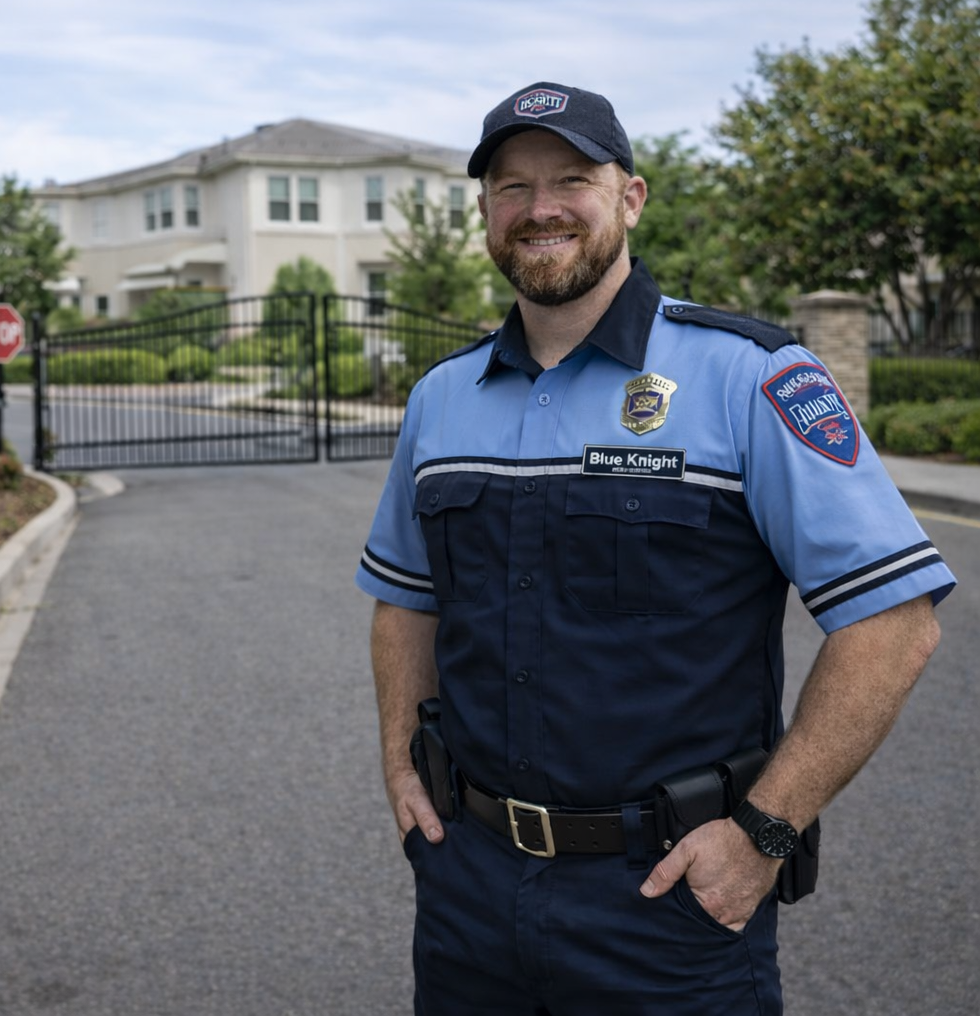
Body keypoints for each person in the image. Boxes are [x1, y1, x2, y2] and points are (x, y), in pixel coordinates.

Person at [355, 80, 954, 1015]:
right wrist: (401, 766)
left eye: (571, 180)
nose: (539, 208)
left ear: (629, 198)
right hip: (468, 896)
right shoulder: (443, 399)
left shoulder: (749, 377)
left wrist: (764, 832)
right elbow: (406, 601)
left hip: (670, 905)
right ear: (484, 212)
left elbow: (894, 621)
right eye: (510, 187)